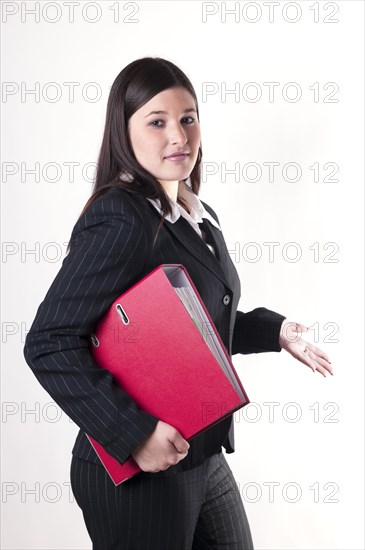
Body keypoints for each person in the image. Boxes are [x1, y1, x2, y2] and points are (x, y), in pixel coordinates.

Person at [23, 57, 333, 550]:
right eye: (157, 121)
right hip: (138, 469)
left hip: (202, 453)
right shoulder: (121, 217)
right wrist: (135, 433)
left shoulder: (194, 212)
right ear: (124, 133)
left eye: (188, 118)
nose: (178, 136)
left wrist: (275, 333)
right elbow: (49, 342)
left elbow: (197, 324)